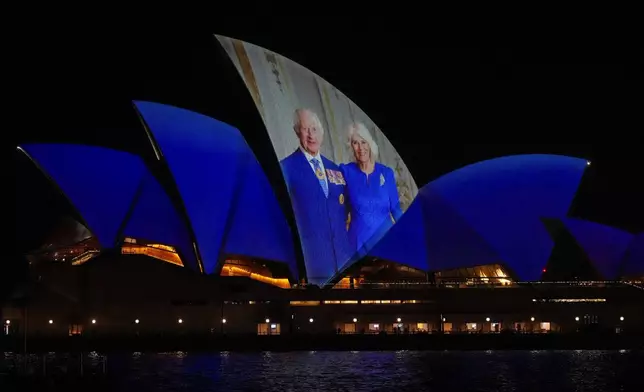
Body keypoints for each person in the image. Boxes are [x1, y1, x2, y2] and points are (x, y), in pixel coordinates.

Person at [280, 109, 353, 285]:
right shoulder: (286, 168)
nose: (311, 135)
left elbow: (344, 214)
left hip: (343, 266)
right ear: (297, 132)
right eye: (305, 129)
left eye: (314, 129)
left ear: (321, 133)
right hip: (310, 267)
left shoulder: (336, 169)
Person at [340, 122, 403, 258]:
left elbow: (396, 209)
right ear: (351, 147)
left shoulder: (386, 173)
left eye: (363, 142)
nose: (360, 148)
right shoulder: (345, 172)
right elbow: (342, 211)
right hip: (357, 246)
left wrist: (408, 234)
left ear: (370, 144)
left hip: (386, 242)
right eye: (355, 143)